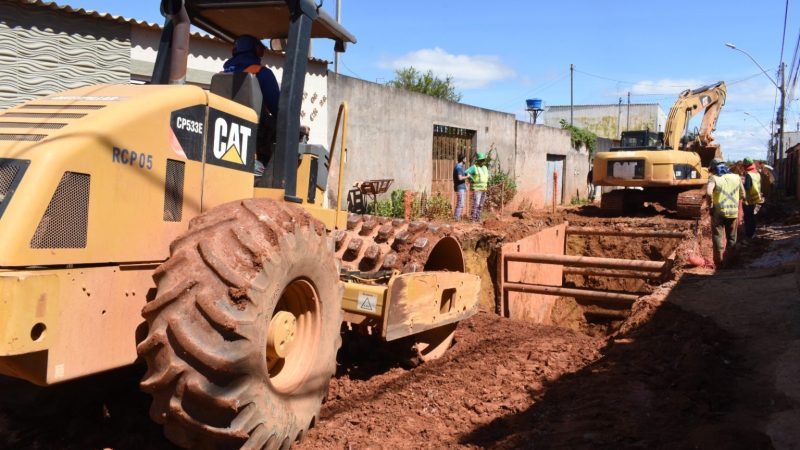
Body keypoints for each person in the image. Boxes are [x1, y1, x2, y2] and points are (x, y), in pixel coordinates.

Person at [223, 35, 280, 168]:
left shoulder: (223, 74)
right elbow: (278, 109)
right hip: (254, 139)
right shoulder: (261, 73)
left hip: (225, 136)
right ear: (256, 50)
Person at [707, 158, 744, 266]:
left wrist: (711, 206)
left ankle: (719, 262)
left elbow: (709, 193)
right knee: (732, 238)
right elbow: (743, 194)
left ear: (713, 169)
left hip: (719, 212)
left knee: (717, 236)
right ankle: (731, 262)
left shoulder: (713, 178)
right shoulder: (736, 177)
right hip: (733, 212)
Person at [741, 156, 764, 241]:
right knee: (752, 217)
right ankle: (752, 232)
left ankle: (749, 234)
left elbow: (747, 187)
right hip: (756, 198)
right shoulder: (757, 173)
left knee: (748, 217)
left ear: (746, 165)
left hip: (749, 200)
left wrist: (741, 184)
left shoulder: (749, 175)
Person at [465, 152, 489, 222]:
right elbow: (466, 172)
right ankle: (473, 219)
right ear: (478, 160)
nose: (482, 161)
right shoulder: (474, 167)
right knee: (476, 204)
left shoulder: (485, 167)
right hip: (477, 189)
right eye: (481, 160)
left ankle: (478, 218)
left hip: (484, 188)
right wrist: (471, 179)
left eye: (483, 160)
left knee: (481, 205)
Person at [452, 153, 469, 220]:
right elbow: (460, 178)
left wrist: (465, 186)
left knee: (460, 203)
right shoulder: (458, 167)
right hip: (459, 187)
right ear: (463, 159)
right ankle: (456, 218)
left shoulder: (461, 167)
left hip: (461, 187)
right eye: (465, 159)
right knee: (460, 203)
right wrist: (467, 176)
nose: (466, 160)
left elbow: (461, 179)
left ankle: (457, 217)